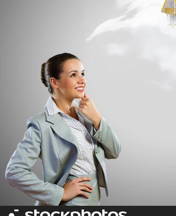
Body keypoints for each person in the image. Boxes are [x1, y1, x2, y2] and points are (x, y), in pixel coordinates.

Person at [5, 53, 121, 206]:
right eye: (74, 75)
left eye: (83, 74)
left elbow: (114, 151)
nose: (82, 80)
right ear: (54, 82)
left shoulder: (87, 114)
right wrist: (60, 193)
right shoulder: (41, 124)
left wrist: (97, 119)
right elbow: (14, 172)